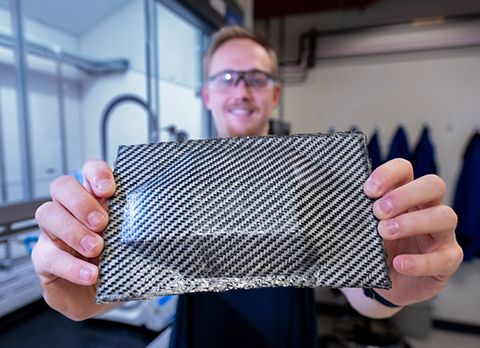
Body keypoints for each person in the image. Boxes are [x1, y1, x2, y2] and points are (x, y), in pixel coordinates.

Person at [32, 26, 463, 347]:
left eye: (255, 78)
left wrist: (394, 285)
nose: (240, 90)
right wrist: (87, 286)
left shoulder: (316, 176)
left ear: (274, 94)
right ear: (206, 94)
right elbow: (134, 269)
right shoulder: (165, 183)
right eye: (226, 78)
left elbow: (362, 293)